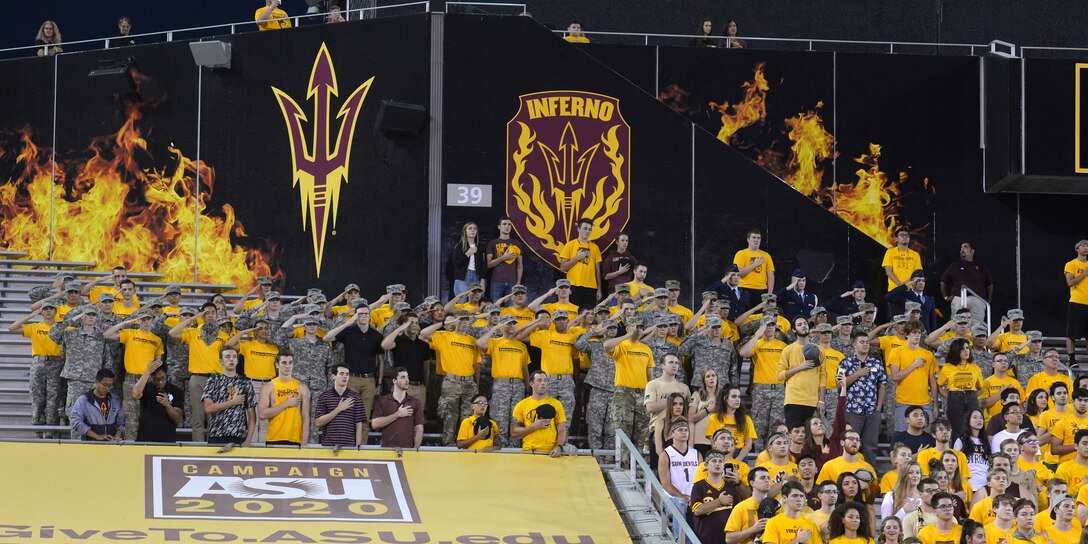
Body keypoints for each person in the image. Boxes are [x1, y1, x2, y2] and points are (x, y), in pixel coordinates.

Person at [324, 304, 385, 439]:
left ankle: (361, 448)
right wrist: (347, 323)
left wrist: (379, 383)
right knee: (346, 414)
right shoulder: (349, 331)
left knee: (364, 417)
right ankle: (346, 444)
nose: (363, 316)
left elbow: (381, 361)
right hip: (350, 379)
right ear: (356, 316)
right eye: (360, 314)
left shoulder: (376, 335)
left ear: (369, 316)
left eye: (365, 314)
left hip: (369, 380)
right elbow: (326, 338)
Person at [8, 302, 63, 432]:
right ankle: (38, 429)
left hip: (56, 363)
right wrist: (32, 315)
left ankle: (50, 430)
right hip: (39, 363)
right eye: (45, 309)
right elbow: (12, 328)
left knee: (53, 398)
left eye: (51, 309)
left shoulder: (60, 327)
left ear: (56, 311)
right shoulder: (35, 327)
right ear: (41, 312)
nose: (48, 311)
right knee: (37, 397)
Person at [604, 316, 655, 453]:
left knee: (640, 434)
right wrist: (626, 336)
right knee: (623, 432)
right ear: (627, 328)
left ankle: (637, 467)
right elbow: (606, 345)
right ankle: (624, 468)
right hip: (624, 394)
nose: (638, 330)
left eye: (641, 327)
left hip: (642, 394)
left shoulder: (646, 349)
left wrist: (651, 395)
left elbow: (650, 374)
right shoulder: (620, 346)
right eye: (635, 326)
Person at [740, 317, 786, 450]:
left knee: (777, 423)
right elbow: (744, 353)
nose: (770, 327)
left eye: (772, 325)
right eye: (767, 325)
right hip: (761, 388)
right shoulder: (757, 343)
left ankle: (773, 451)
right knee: (759, 422)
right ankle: (759, 453)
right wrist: (757, 335)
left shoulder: (783, 346)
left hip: (779, 388)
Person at [839, 333, 887, 462]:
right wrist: (857, 374)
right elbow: (840, 384)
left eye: (867, 342)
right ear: (854, 344)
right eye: (862, 342)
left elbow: (882, 385)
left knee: (871, 446)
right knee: (851, 444)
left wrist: (878, 408)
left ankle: (870, 473)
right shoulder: (846, 362)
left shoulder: (876, 363)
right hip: (853, 411)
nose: (865, 344)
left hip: (872, 411)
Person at [888, 320, 939, 432]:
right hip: (904, 402)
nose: (917, 335)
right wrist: (914, 365)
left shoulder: (928, 354)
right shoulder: (897, 352)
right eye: (914, 332)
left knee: (926, 438)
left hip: (925, 403)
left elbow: (933, 382)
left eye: (919, 333)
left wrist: (935, 404)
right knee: (901, 438)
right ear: (907, 335)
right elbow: (895, 376)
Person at [202, 347, 256, 445]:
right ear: (221, 361)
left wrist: (248, 441)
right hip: (217, 434)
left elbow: (252, 416)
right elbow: (208, 408)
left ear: (237, 361)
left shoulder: (245, 383)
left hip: (239, 436)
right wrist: (232, 402)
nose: (231, 359)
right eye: (227, 357)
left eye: (234, 357)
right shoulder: (213, 381)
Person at [778, 317, 826, 428]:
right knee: (794, 435)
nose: (804, 326)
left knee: (812, 440)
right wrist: (800, 367)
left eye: (805, 323)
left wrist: (821, 400)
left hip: (813, 402)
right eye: (799, 324)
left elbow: (823, 376)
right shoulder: (788, 349)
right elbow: (779, 376)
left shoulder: (819, 349)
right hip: (794, 401)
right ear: (794, 330)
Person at [511, 370, 567, 457]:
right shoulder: (521, 405)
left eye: (545, 380)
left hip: (551, 453)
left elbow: (562, 430)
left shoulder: (556, 404)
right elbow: (514, 432)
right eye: (539, 380)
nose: (543, 383)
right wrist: (534, 427)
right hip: (529, 452)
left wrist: (559, 447)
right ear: (531, 384)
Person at [258, 355, 310, 446]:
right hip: (274, 438)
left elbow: (306, 418)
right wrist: (286, 404)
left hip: (295, 439)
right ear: (277, 365)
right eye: (284, 363)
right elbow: (262, 414)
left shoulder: (302, 387)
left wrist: (304, 443)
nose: (287, 366)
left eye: (290, 363)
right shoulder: (268, 386)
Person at [939, 242, 993, 327]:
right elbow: (943, 281)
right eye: (961, 248)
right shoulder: (955, 266)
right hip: (959, 298)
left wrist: (989, 299)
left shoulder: (980, 267)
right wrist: (946, 296)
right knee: (956, 325)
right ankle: (957, 340)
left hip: (978, 299)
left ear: (972, 251)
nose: (962, 250)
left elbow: (990, 283)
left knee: (977, 327)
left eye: (965, 247)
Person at [690, 450, 738, 543]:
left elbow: (737, 511)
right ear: (706, 465)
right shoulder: (699, 486)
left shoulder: (730, 487)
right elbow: (698, 510)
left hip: (727, 539)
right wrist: (719, 501)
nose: (717, 464)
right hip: (705, 539)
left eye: (720, 461)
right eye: (714, 461)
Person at [659, 418, 700, 529]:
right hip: (673, 499)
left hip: (694, 497)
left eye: (686, 430)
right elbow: (666, 484)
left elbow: (702, 479)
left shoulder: (696, 454)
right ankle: (680, 540)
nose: (684, 432)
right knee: (680, 504)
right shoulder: (666, 454)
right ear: (672, 434)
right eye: (680, 430)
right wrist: (683, 497)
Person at [370, 367, 424, 448]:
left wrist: (415, 450)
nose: (407, 380)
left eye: (407, 377)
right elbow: (374, 424)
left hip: (408, 450)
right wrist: (397, 414)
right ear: (394, 381)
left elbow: (419, 428)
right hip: (387, 450)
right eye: (403, 377)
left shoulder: (415, 403)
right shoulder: (383, 401)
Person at [314, 364, 366, 447]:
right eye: (341, 374)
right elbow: (318, 422)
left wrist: (357, 447)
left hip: (349, 447)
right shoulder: (324, 397)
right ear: (333, 376)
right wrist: (338, 409)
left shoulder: (356, 398)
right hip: (328, 446)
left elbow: (359, 425)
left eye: (347, 374)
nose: (345, 377)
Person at [131, 360, 183, 442]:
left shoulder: (176, 391)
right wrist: (147, 372)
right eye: (156, 379)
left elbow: (177, 418)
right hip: (145, 438)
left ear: (167, 376)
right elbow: (135, 395)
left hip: (167, 438)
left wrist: (167, 405)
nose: (160, 382)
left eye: (162, 378)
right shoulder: (146, 388)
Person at [761, 480, 825, 544]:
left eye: (801, 496)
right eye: (795, 496)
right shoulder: (773, 523)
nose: (799, 499)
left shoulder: (811, 525)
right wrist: (797, 540)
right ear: (784, 498)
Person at [558, 218, 603, 307]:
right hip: (573, 286)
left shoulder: (595, 248)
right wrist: (577, 257)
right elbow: (563, 268)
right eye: (585, 228)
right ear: (578, 229)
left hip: (591, 287)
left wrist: (599, 289)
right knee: (573, 315)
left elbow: (597, 271)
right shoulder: (570, 245)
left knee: (588, 315)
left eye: (590, 229)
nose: (587, 231)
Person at [70, 368, 124, 441]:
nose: (107, 388)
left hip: (111, 444)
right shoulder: (84, 400)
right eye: (104, 385)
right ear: (96, 382)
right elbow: (75, 421)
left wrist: (117, 436)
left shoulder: (115, 400)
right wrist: (97, 436)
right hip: (90, 443)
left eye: (110, 385)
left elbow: (121, 422)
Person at [706, 385, 757, 461]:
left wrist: (737, 461)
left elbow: (748, 445)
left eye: (739, 397)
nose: (738, 399)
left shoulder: (746, 419)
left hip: (741, 455)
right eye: (734, 396)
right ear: (725, 399)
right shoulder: (714, 418)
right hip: (721, 454)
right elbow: (714, 444)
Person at [724, 467, 771, 544]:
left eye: (768, 478)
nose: (767, 480)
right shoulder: (741, 507)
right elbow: (729, 539)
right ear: (752, 483)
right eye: (762, 478)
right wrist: (753, 529)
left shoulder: (777, 507)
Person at [484, 217, 523, 302]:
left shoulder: (517, 243)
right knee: (495, 309)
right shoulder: (492, 243)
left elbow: (519, 265)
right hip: (496, 281)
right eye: (504, 224)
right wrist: (503, 258)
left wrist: (518, 282)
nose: (507, 226)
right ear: (499, 227)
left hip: (512, 282)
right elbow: (488, 264)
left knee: (511, 311)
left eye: (509, 224)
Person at [733, 228, 775, 302]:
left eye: (758, 238)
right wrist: (755, 264)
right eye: (754, 237)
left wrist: (770, 294)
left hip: (762, 290)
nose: (756, 240)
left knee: (761, 313)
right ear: (748, 239)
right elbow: (739, 273)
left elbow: (770, 276)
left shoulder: (766, 255)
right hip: (744, 289)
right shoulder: (741, 254)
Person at [447, 221, 486, 297]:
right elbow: (455, 263)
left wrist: (482, 280)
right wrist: (467, 254)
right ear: (465, 231)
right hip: (462, 278)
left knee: (475, 302)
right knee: (462, 302)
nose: (472, 230)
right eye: (470, 228)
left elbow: (483, 265)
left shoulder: (480, 247)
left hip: (476, 276)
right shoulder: (460, 246)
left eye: (475, 229)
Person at [1065, 239, 1088, 367]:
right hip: (1077, 302)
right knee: (1072, 333)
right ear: (1077, 249)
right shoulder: (1071, 264)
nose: (1086, 247)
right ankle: (1072, 359)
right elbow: (1070, 282)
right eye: (1083, 245)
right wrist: (1084, 274)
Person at [1052, 390, 1088, 465]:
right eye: (1080, 400)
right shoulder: (1062, 422)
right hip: (1067, 467)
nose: (1083, 403)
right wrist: (1077, 446)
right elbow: (1054, 450)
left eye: (1086, 400)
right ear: (1072, 402)